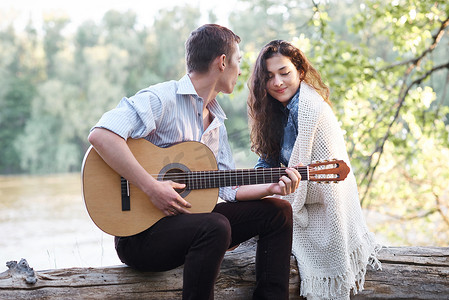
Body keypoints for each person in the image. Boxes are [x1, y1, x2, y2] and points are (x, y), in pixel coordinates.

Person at [88, 25, 302, 300]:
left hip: (187, 227)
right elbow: (102, 135)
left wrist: (270, 188)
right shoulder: (162, 99)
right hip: (139, 236)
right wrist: (152, 188)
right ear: (222, 62)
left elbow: (227, 188)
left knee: (278, 212)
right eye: (237, 62)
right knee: (215, 225)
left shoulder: (216, 123)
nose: (240, 71)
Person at [247, 40, 381, 300]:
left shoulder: (311, 110)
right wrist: (251, 186)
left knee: (267, 217)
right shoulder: (273, 111)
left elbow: (327, 187)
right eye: (269, 76)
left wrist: (282, 191)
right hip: (291, 195)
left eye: (284, 73)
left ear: (300, 72)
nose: (277, 82)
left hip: (319, 209)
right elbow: (266, 165)